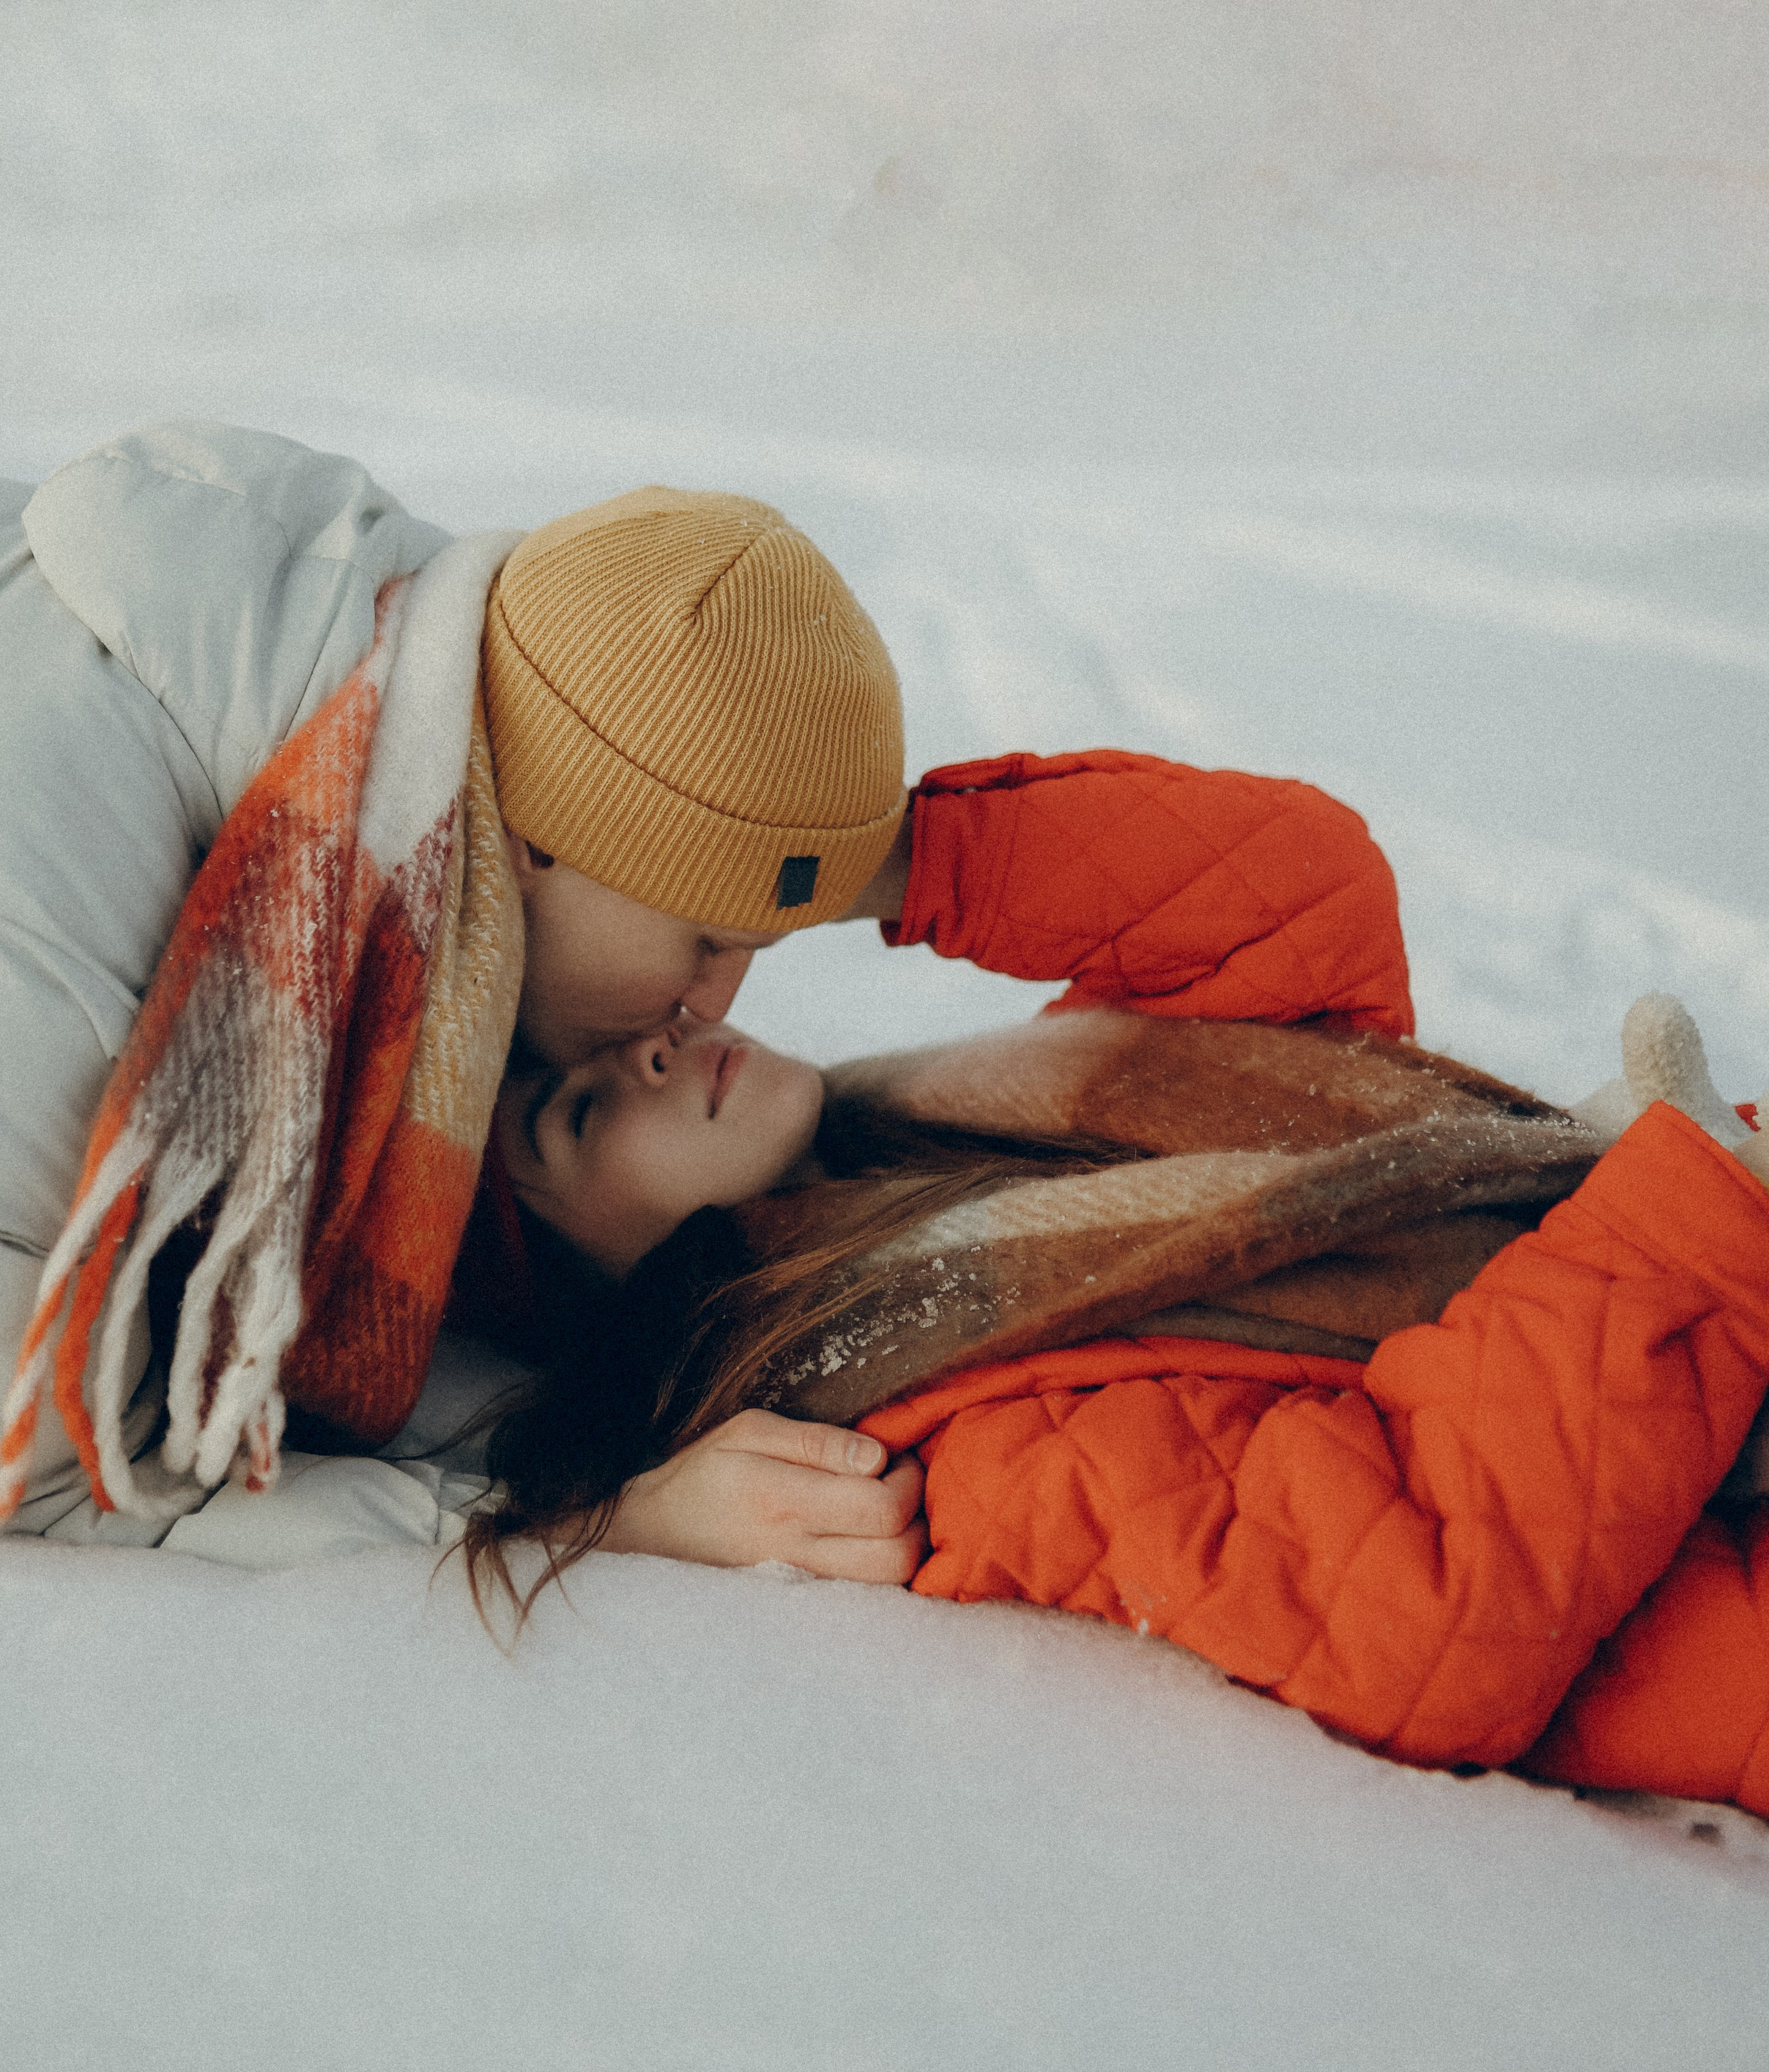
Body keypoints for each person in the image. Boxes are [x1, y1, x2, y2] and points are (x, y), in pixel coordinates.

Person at [464, 744, 1769, 1821]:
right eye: (576, 1117)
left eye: (630, 1025)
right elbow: (1412, 1617)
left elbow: (1298, 904)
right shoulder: (944, 1421)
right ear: (598, 1298)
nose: (659, 1043)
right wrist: (1683, 1230)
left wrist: (827, 856)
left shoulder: (989, 1144)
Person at [0, 424, 916, 1569]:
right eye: (708, 940)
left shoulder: (447, 671)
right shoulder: (29, 934)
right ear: (537, 842)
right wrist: (598, 1528)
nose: (714, 1000)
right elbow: (30, 1465)